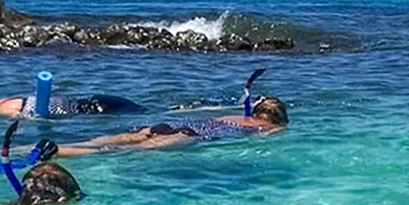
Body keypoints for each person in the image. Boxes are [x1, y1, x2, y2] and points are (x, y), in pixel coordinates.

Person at [29, 69, 288, 158]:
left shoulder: (234, 116)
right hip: (190, 134)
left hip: (171, 124)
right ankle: (58, 152)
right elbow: (270, 134)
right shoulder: (265, 127)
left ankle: (34, 148)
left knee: (106, 142)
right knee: (118, 152)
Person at [0, 65, 145, 117]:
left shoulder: (0, 109)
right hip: (92, 102)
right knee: (140, 110)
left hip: (88, 110)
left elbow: (23, 118)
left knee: (139, 112)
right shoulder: (6, 100)